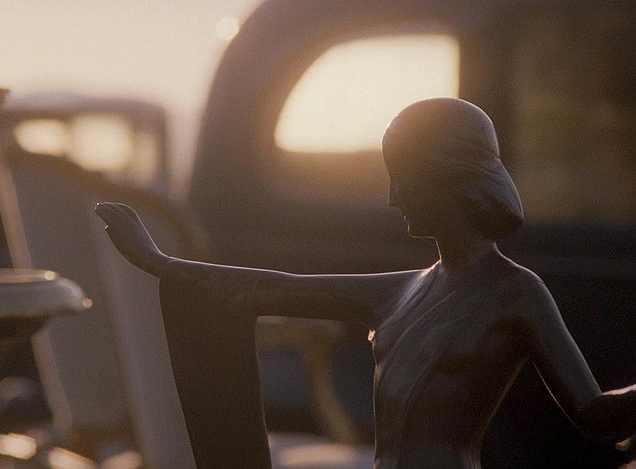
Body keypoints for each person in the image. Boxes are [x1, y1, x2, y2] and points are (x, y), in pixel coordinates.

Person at [95, 98, 636, 468]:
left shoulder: (516, 294)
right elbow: (273, 287)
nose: (393, 199)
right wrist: (161, 264)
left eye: (404, 180)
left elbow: (595, 415)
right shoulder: (404, 288)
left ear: (448, 178)